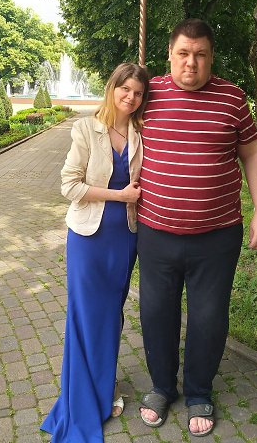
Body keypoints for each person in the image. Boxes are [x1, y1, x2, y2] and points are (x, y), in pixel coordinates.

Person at [137, 19, 257, 437]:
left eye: (200, 55)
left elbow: (253, 152)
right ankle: (162, 387)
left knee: (208, 318)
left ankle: (198, 391)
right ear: (169, 54)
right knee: (156, 313)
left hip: (217, 236)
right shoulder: (148, 94)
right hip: (155, 232)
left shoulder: (232, 98)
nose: (191, 63)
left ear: (212, 57)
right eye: (183, 53)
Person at [41, 62, 149, 443]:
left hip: (125, 239)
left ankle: (105, 387)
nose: (130, 97)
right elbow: (69, 186)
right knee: (85, 316)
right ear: (112, 88)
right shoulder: (86, 128)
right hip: (89, 238)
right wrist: (119, 195)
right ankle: (83, 398)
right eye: (125, 89)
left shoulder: (141, 132)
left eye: (138, 93)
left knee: (110, 316)